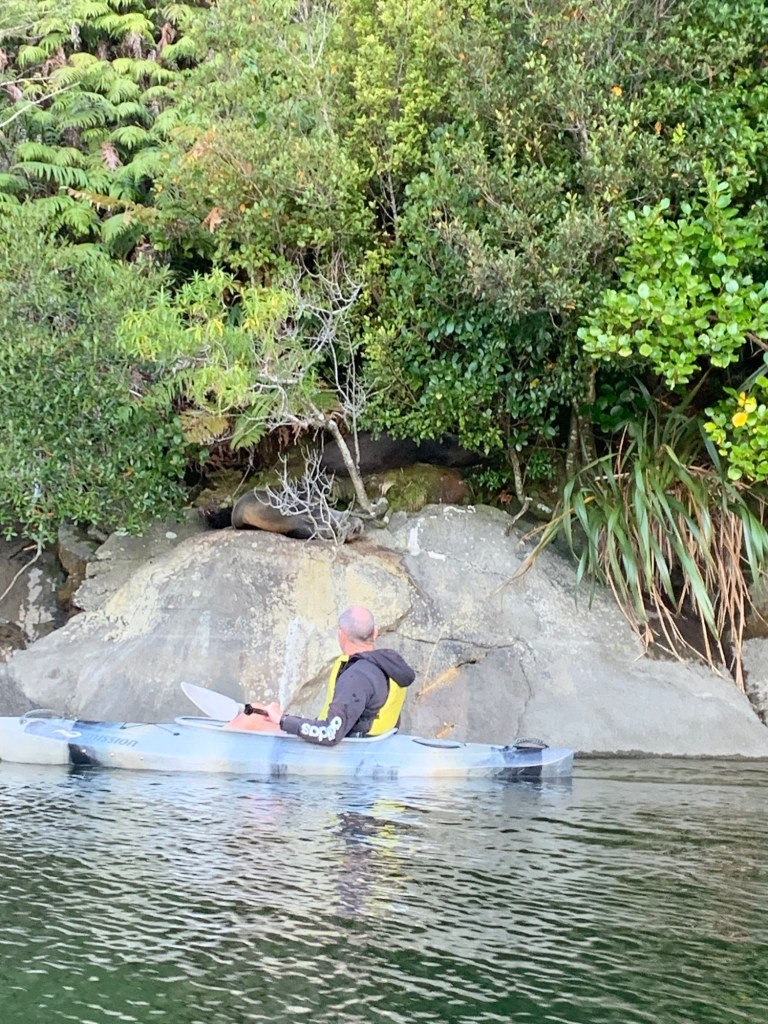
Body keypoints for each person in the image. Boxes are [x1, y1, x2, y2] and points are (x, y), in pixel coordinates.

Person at [262, 606, 415, 746]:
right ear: (375, 633)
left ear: (342, 634)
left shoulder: (357, 677)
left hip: (353, 756)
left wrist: (283, 720)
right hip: (380, 748)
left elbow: (330, 733)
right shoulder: (389, 666)